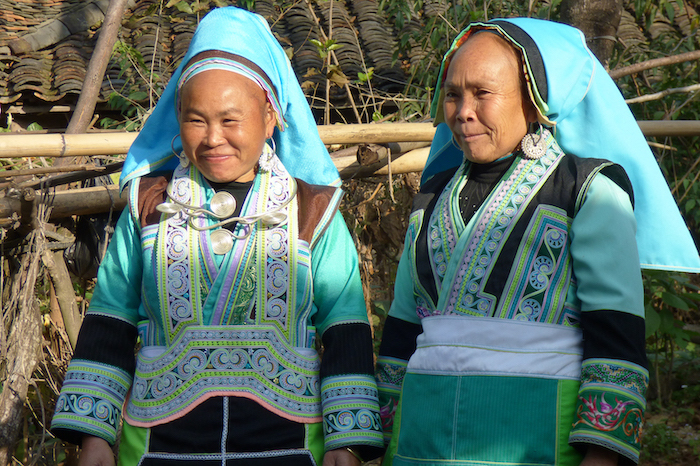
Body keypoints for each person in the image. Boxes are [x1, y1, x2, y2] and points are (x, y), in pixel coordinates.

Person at [51, 7, 384, 466]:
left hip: (289, 446)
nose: (212, 138)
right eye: (195, 120)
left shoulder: (313, 212)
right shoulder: (150, 206)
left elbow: (345, 325)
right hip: (156, 448)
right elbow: (112, 318)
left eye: (230, 120)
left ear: (271, 117)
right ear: (177, 119)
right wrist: (94, 436)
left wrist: (345, 444)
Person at [376, 18, 700, 466]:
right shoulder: (431, 195)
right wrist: (377, 438)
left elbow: (616, 331)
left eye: (482, 93)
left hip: (539, 438)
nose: (463, 111)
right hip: (421, 441)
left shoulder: (587, 189)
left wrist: (604, 453)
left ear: (533, 100)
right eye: (453, 94)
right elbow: (402, 327)